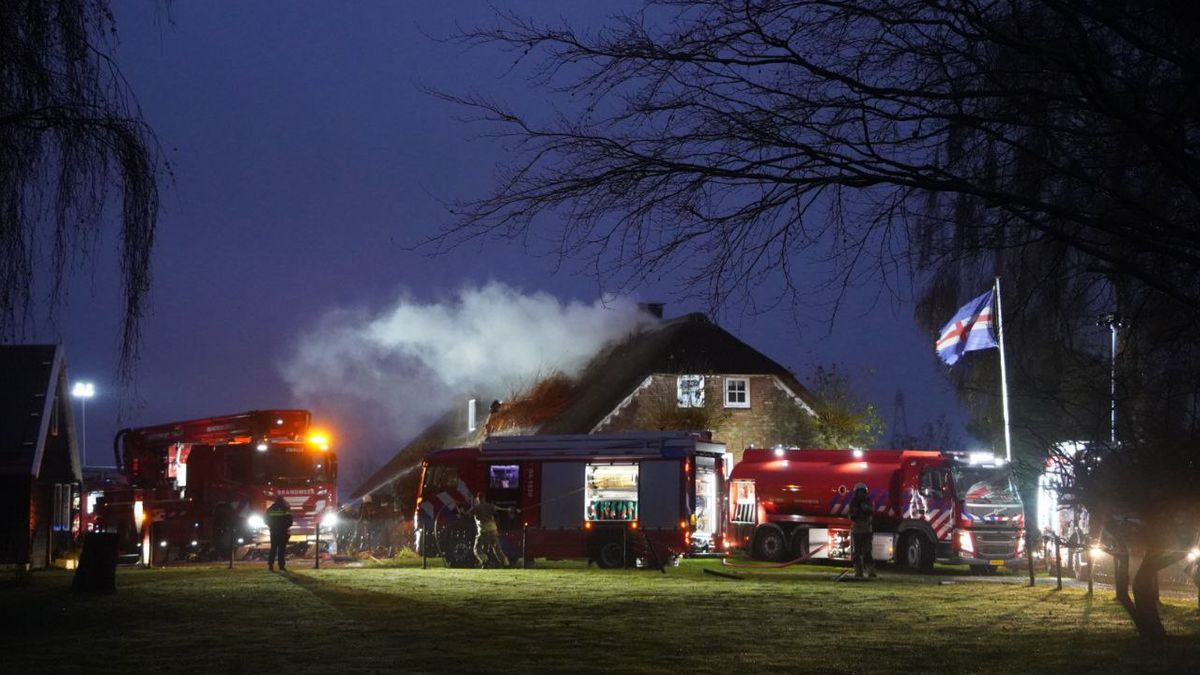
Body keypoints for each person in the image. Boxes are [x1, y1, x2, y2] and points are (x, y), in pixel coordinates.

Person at [461, 492, 516, 568]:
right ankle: (506, 563)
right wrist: (508, 509)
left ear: (477, 499)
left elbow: (466, 515)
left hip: (483, 531)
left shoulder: (476, 508)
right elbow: (499, 509)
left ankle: (485, 561)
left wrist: (461, 510)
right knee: (497, 548)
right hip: (493, 530)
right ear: (484, 498)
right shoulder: (490, 506)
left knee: (477, 549)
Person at [848, 483, 876, 578]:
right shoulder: (854, 502)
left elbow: (871, 512)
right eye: (859, 492)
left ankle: (870, 571)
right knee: (857, 552)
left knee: (867, 552)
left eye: (862, 492)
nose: (861, 494)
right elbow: (851, 515)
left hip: (865, 530)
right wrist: (854, 514)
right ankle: (858, 572)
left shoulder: (868, 502)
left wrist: (866, 509)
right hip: (857, 530)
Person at [265, 497, 293, 571]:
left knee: (273, 548)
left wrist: (272, 526)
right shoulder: (285, 509)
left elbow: (265, 520)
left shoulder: (271, 508)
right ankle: (281, 566)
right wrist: (285, 526)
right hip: (283, 531)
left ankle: (270, 565)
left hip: (274, 531)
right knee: (282, 549)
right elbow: (290, 520)